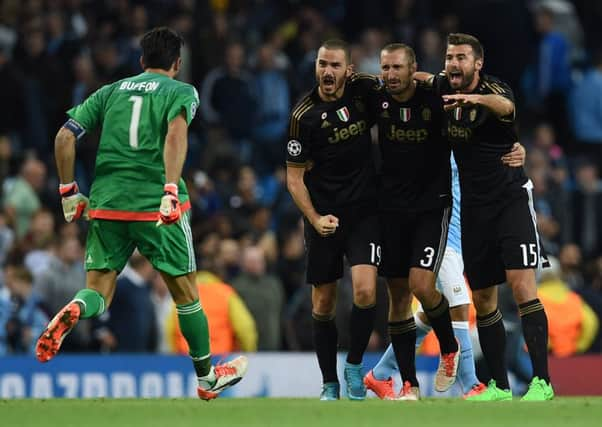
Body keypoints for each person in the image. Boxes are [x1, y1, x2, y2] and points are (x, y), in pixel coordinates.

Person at [34, 27, 247, 400]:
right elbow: (175, 135)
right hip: (156, 206)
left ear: (141, 61)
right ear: (177, 64)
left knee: (98, 290)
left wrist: (68, 192)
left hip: (106, 203)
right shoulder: (181, 91)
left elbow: (64, 137)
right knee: (186, 295)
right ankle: (206, 377)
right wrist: (169, 188)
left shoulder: (110, 91)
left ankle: (76, 306)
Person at [362, 44, 525, 400]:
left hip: (464, 220)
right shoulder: (438, 100)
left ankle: (380, 372)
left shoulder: (469, 121)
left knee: (434, 305)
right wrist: (393, 76)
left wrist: (519, 149)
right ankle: (470, 384)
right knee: (455, 299)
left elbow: (504, 127)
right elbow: (417, 80)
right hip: (439, 219)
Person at [416, 33, 553, 401]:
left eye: (461, 57)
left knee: (524, 288)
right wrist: (396, 76)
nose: (453, 63)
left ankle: (542, 382)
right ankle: (500, 388)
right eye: (449, 56)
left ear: (478, 63)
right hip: (474, 209)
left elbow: (506, 107)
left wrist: (476, 99)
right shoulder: (443, 84)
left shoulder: (495, 89)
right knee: (484, 298)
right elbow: (421, 78)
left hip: (509, 200)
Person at [286, 39, 381, 400]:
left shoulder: (362, 93)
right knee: (322, 304)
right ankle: (329, 382)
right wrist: (313, 217)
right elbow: (293, 179)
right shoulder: (303, 116)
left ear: (349, 70)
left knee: (365, 290)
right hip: (324, 217)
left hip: (364, 213)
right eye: (322, 63)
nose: (327, 71)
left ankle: (354, 364)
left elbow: (400, 88)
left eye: (335, 65)